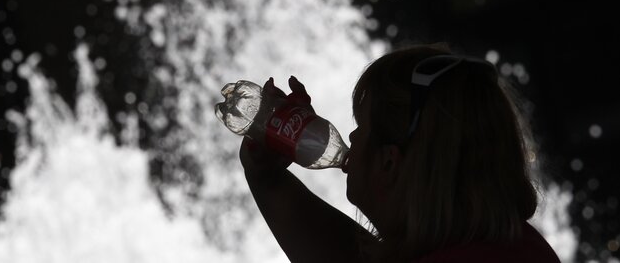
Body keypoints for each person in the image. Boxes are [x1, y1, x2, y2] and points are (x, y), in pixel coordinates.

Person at [239, 42, 561, 263]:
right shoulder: (514, 247)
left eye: (360, 126)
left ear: (389, 162)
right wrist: (266, 176)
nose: (351, 136)